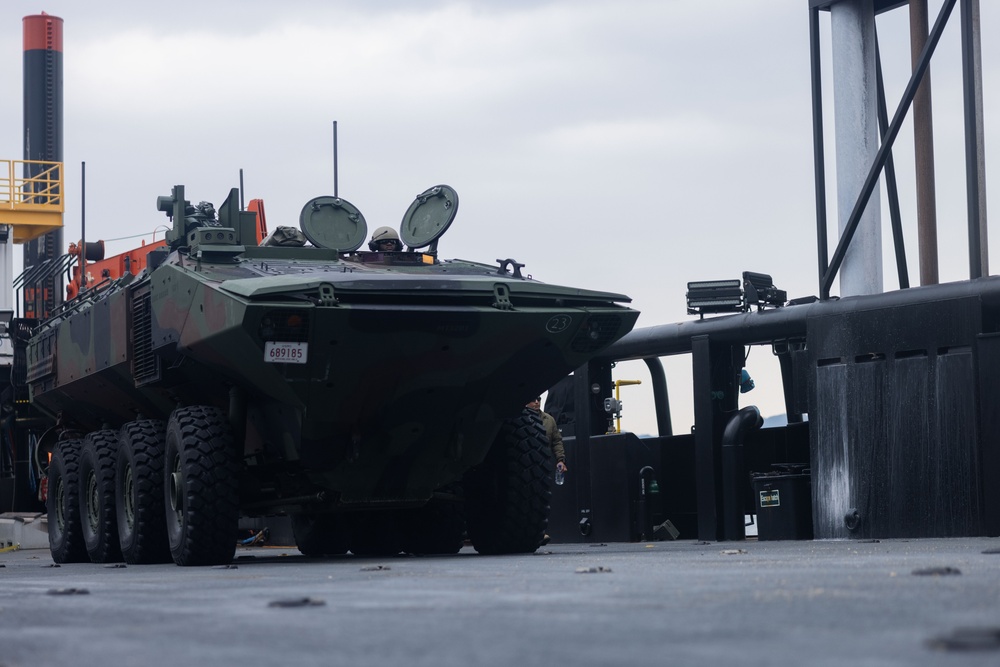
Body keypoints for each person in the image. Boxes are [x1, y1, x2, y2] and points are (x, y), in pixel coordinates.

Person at [526, 396, 567, 474]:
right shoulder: (520, 419)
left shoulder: (549, 420)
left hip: (545, 464)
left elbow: (557, 442)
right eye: (533, 400)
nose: (537, 402)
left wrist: (561, 460)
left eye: (538, 399)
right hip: (526, 465)